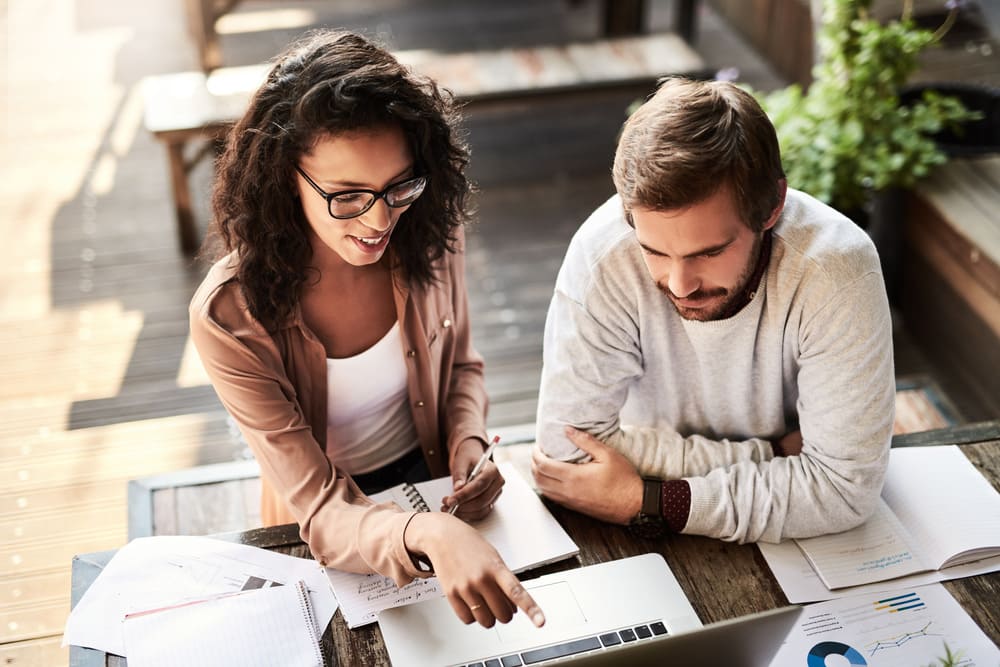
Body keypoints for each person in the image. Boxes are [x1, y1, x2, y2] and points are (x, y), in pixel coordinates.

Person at [189, 29, 543, 629]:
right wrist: (424, 533)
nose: (380, 220)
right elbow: (319, 508)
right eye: (348, 196)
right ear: (284, 179)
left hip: (435, 483)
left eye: (398, 185)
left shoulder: (429, 231)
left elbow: (459, 365)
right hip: (325, 526)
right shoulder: (230, 316)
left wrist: (468, 443)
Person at [532, 77, 895, 544]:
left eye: (708, 252)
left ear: (772, 208)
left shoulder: (836, 270)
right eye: (655, 252)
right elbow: (567, 455)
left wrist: (651, 500)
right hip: (737, 523)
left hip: (803, 544)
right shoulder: (604, 254)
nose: (680, 285)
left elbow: (844, 490)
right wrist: (773, 456)